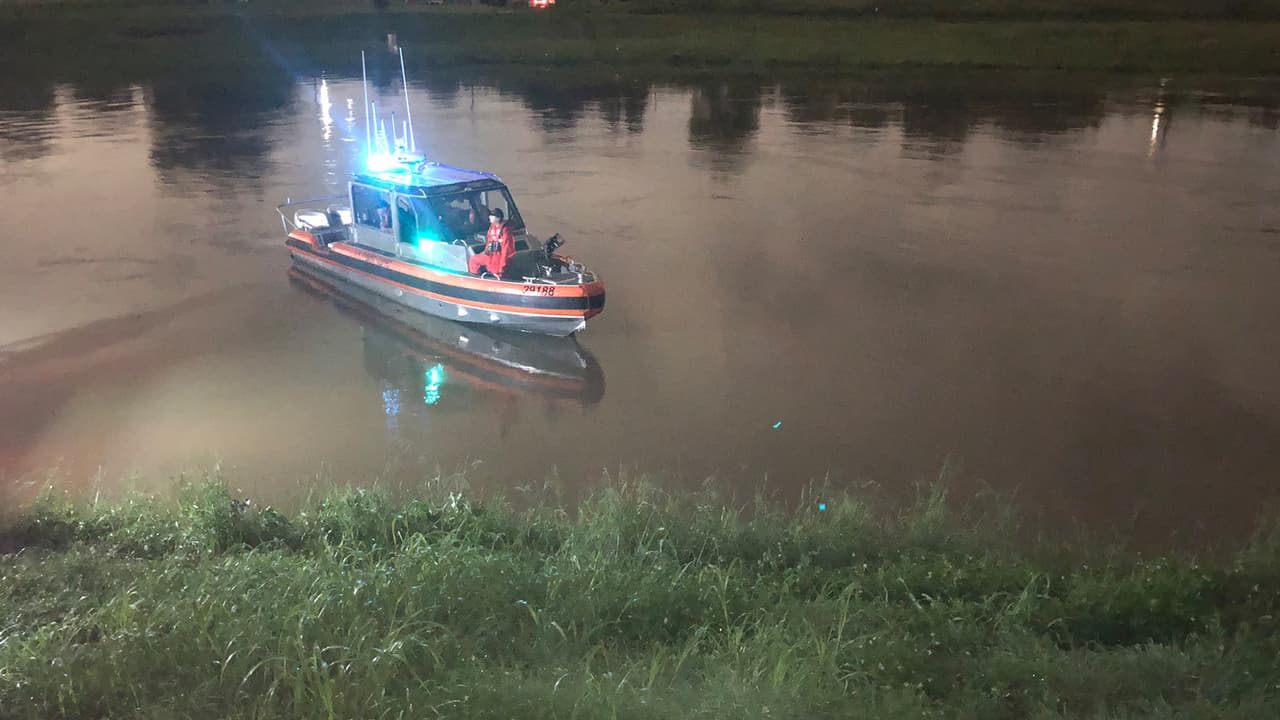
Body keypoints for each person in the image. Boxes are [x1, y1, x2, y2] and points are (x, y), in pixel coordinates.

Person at [468, 207, 514, 278]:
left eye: (492, 215)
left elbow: (506, 250)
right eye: (490, 215)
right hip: (490, 256)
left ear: (498, 218)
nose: (489, 217)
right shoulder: (492, 228)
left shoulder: (505, 231)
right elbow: (489, 242)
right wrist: (485, 252)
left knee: (496, 272)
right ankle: (475, 278)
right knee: (473, 260)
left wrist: (503, 266)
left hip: (499, 258)